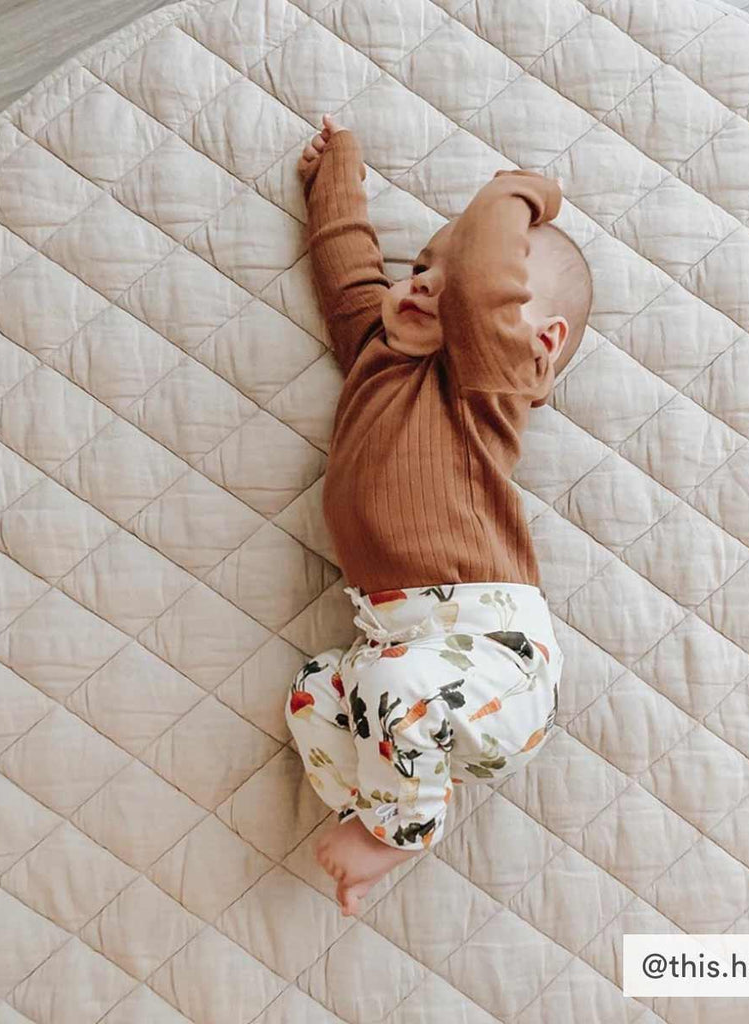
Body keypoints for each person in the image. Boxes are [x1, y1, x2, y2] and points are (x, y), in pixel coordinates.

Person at [287, 113, 593, 917]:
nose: (424, 283)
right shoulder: (381, 358)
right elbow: (352, 282)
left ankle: (397, 830)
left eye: (452, 282)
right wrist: (334, 179)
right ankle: (392, 793)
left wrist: (521, 193)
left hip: (495, 661)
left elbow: (491, 275)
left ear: (539, 344)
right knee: (318, 691)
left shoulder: (485, 383)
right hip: (412, 662)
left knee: (387, 686)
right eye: (420, 268)